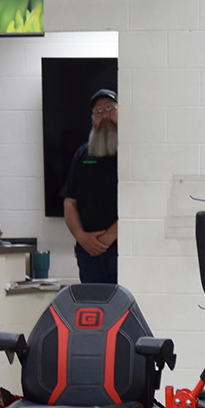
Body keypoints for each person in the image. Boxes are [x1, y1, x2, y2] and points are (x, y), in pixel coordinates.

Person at [62, 89, 118, 284]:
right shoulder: (82, 155)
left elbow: (140, 202)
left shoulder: (130, 153)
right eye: (98, 111)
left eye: (110, 109)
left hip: (123, 248)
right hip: (88, 252)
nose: (105, 116)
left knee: (125, 309)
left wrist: (110, 237)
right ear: (92, 118)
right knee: (93, 308)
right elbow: (70, 202)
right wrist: (81, 236)